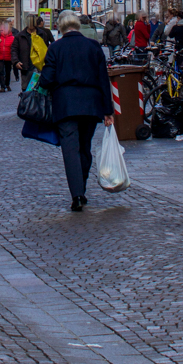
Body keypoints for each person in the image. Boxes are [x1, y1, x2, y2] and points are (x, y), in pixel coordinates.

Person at [39, 12, 114, 213]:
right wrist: (108, 110)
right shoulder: (93, 46)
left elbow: (46, 80)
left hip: (66, 106)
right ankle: (81, 185)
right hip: (91, 105)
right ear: (77, 26)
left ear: (61, 28)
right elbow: (103, 80)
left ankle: (77, 194)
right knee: (84, 147)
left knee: (70, 150)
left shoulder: (55, 48)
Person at [12, 13, 54, 93]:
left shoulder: (42, 34)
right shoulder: (20, 36)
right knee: (26, 91)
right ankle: (27, 104)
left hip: (40, 67)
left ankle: (38, 105)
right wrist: (16, 61)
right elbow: (14, 49)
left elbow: (47, 49)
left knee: (40, 90)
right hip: (26, 67)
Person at [0, 20, 15, 91]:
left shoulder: (12, 38)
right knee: (1, 71)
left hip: (8, 58)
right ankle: (2, 87)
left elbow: (14, 48)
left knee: (8, 72)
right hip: (0, 57)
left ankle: (7, 84)